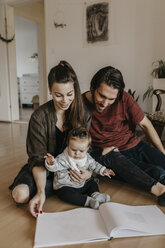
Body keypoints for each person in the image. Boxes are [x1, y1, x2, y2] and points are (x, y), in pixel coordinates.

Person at [9, 61, 92, 217]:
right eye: (58, 95)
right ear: (50, 90)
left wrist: (87, 173)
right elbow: (38, 158)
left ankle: (54, 187)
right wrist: (40, 192)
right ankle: (47, 187)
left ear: (75, 90)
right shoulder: (39, 117)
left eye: (69, 94)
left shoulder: (84, 114)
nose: (65, 101)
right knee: (20, 195)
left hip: (69, 170)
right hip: (43, 169)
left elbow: (86, 150)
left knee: (85, 184)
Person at [82, 65, 165, 206]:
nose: (105, 103)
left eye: (111, 99)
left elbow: (146, 124)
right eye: (102, 96)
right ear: (92, 87)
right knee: (158, 173)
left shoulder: (124, 98)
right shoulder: (80, 104)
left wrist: (162, 153)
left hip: (134, 145)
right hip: (110, 154)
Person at [45, 127, 115, 209]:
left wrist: (103, 170)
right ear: (68, 145)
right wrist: (52, 163)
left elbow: (95, 165)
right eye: (73, 150)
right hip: (66, 186)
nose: (77, 153)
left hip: (83, 183)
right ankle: (87, 201)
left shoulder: (87, 158)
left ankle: (96, 194)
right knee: (65, 194)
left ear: (87, 148)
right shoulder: (63, 158)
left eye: (81, 151)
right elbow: (55, 167)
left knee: (92, 182)